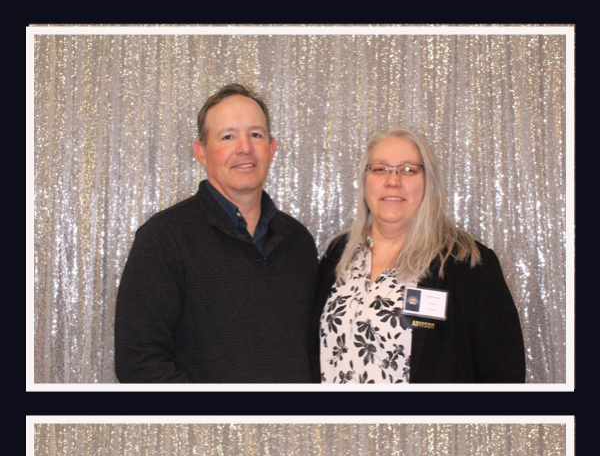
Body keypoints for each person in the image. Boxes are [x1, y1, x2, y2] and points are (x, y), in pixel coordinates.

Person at [114, 83, 317, 383]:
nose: (245, 147)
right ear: (202, 152)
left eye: (255, 135)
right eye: (227, 136)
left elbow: (313, 351)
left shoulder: (298, 241)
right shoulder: (163, 238)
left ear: (271, 148)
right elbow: (138, 363)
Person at [308, 126, 526, 384]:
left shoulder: (466, 264)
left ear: (428, 182)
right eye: (380, 169)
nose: (393, 180)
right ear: (365, 180)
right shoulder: (338, 254)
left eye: (409, 170)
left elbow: (504, 375)